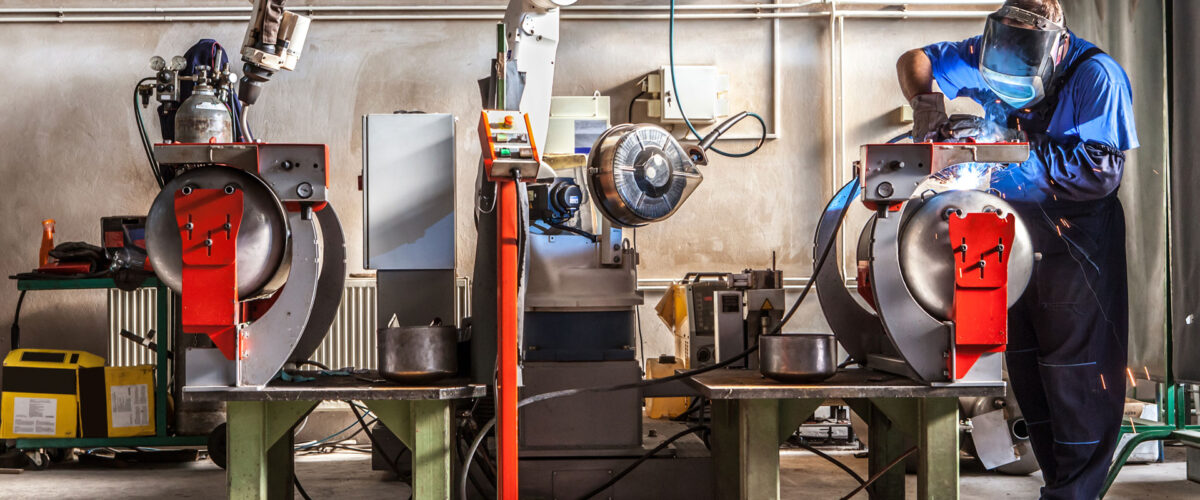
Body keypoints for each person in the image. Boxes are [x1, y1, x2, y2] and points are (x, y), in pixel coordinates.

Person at [895, 1, 1137, 498]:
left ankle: (1077, 492)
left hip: (1078, 243)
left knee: (1076, 379)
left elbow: (1100, 171)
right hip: (1015, 234)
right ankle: (1057, 485)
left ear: (1054, 51)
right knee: (1027, 370)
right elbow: (913, 58)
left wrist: (994, 157)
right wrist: (927, 106)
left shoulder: (1097, 76)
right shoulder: (989, 48)